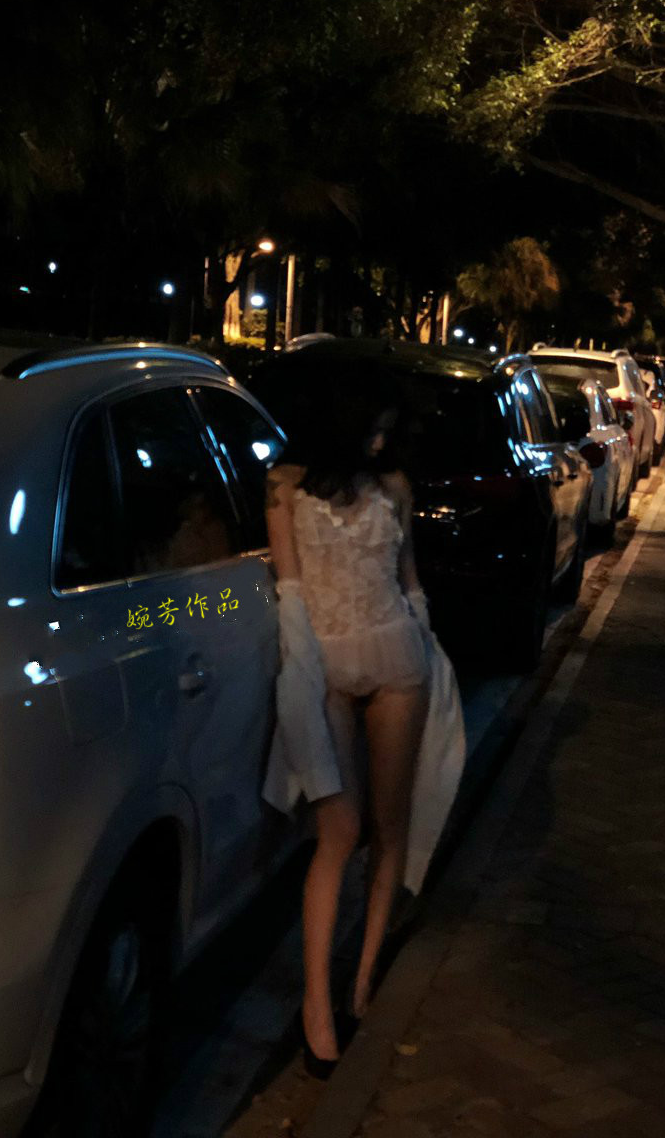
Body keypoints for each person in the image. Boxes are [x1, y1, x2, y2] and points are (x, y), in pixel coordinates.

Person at [262, 365, 463, 1078]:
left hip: (396, 658)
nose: (381, 441)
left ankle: (364, 978)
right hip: (325, 663)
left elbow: (410, 581)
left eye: (388, 429)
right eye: (372, 428)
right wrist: (299, 679)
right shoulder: (284, 486)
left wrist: (430, 644)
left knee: (389, 828)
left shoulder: (394, 487)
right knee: (338, 833)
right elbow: (289, 591)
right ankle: (316, 1003)